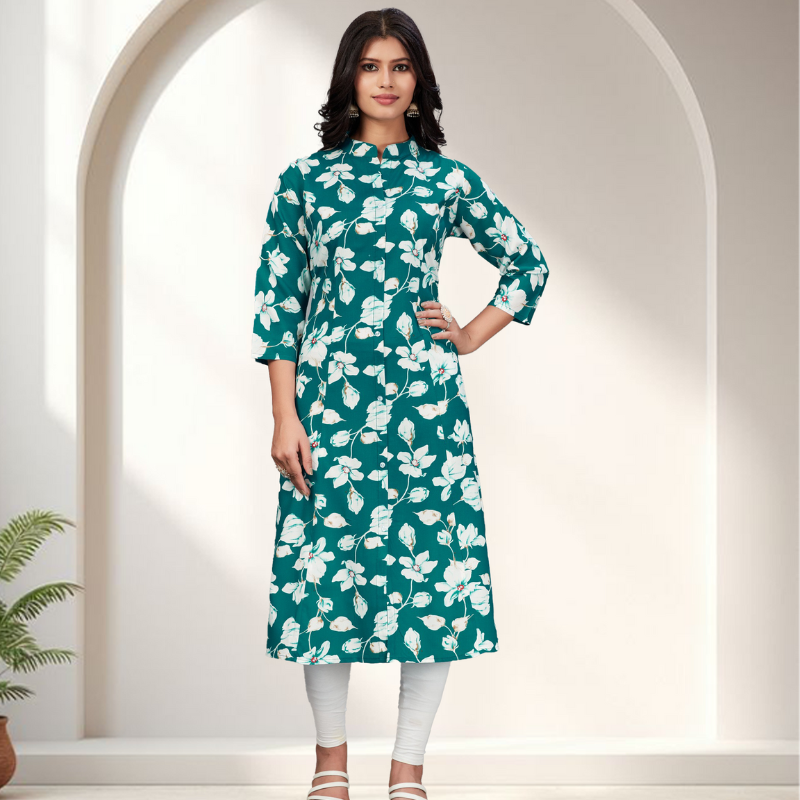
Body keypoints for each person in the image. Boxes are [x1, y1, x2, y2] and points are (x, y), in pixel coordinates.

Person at [251, 8, 550, 799]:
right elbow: (278, 303)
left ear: (419, 81)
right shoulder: (305, 182)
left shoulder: (446, 181)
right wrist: (284, 414)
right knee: (323, 578)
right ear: (349, 78)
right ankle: (330, 762)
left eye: (401, 66)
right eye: (371, 66)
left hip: (425, 410)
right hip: (328, 406)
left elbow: (527, 262)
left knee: (433, 583)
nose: (386, 81)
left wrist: (471, 333)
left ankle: (409, 767)